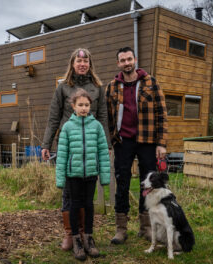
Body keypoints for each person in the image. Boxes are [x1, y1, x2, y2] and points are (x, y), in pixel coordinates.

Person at [41, 48, 109, 251]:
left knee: (87, 196)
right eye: (78, 61)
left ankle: (84, 233)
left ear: (90, 64)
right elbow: (54, 117)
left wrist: (105, 144)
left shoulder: (97, 87)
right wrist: (46, 144)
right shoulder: (63, 88)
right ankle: (70, 234)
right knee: (69, 195)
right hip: (69, 145)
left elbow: (103, 116)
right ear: (72, 64)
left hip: (90, 145)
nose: (82, 64)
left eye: (85, 60)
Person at [106, 46, 168, 244]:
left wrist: (161, 143)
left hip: (147, 141)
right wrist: (112, 138)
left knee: (148, 185)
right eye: (122, 60)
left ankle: (146, 227)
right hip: (123, 142)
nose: (126, 63)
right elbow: (107, 115)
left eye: (129, 59)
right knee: (122, 184)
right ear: (118, 64)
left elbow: (162, 114)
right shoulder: (112, 87)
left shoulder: (151, 82)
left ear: (135, 60)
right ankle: (121, 229)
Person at [55, 88, 110, 261]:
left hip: (91, 174)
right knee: (74, 205)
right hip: (73, 175)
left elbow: (103, 151)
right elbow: (62, 154)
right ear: (73, 106)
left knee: (89, 205)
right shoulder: (68, 127)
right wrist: (60, 178)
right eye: (80, 105)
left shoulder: (97, 126)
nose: (84, 108)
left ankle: (88, 238)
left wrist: (105, 175)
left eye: (87, 105)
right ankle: (77, 241)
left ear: (90, 106)